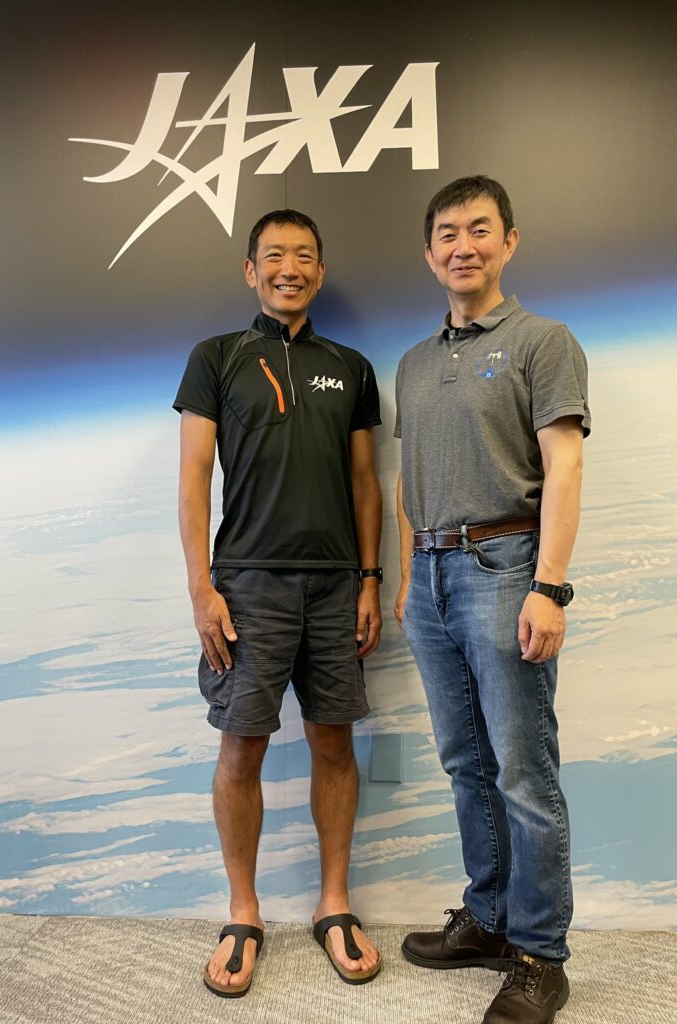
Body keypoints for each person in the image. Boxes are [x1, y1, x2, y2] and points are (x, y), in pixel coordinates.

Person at [394, 176, 590, 1024]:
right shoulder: (412, 362)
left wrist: (548, 586)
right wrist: (410, 576)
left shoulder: (543, 342)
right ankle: (489, 917)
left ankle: (541, 955)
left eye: (479, 229)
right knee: (464, 761)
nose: (462, 245)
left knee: (522, 770)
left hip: (507, 566)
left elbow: (564, 465)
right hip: (430, 577)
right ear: (429, 252)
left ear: (509, 241)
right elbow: (410, 481)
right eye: (447, 233)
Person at [174, 209, 383, 997]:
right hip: (248, 585)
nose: (288, 267)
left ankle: (334, 904)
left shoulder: (350, 367)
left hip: (335, 585)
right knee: (241, 750)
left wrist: (369, 578)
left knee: (335, 746)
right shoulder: (216, 358)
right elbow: (195, 479)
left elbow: (364, 481)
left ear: (320, 273)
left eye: (303, 256)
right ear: (250, 270)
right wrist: (202, 587)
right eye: (273, 255)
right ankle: (244, 912)